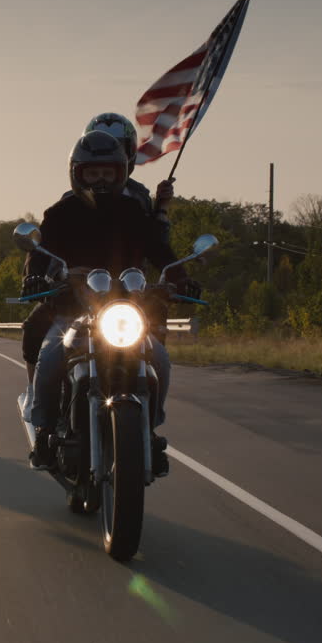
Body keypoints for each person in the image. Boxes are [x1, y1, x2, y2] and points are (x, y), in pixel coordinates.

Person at [20, 131, 200, 477]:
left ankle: (149, 431)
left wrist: (180, 277)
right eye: (93, 173)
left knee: (160, 359)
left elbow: (159, 250)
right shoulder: (60, 213)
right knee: (50, 357)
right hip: (73, 309)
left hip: (125, 308)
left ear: (121, 174)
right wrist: (35, 277)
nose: (100, 181)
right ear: (78, 175)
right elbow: (39, 253)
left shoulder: (133, 212)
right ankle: (43, 431)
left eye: (108, 173)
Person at [67, 112, 175, 242]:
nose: (110, 155)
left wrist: (160, 208)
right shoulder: (67, 203)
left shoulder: (139, 195)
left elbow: (154, 244)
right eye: (100, 148)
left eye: (119, 147)